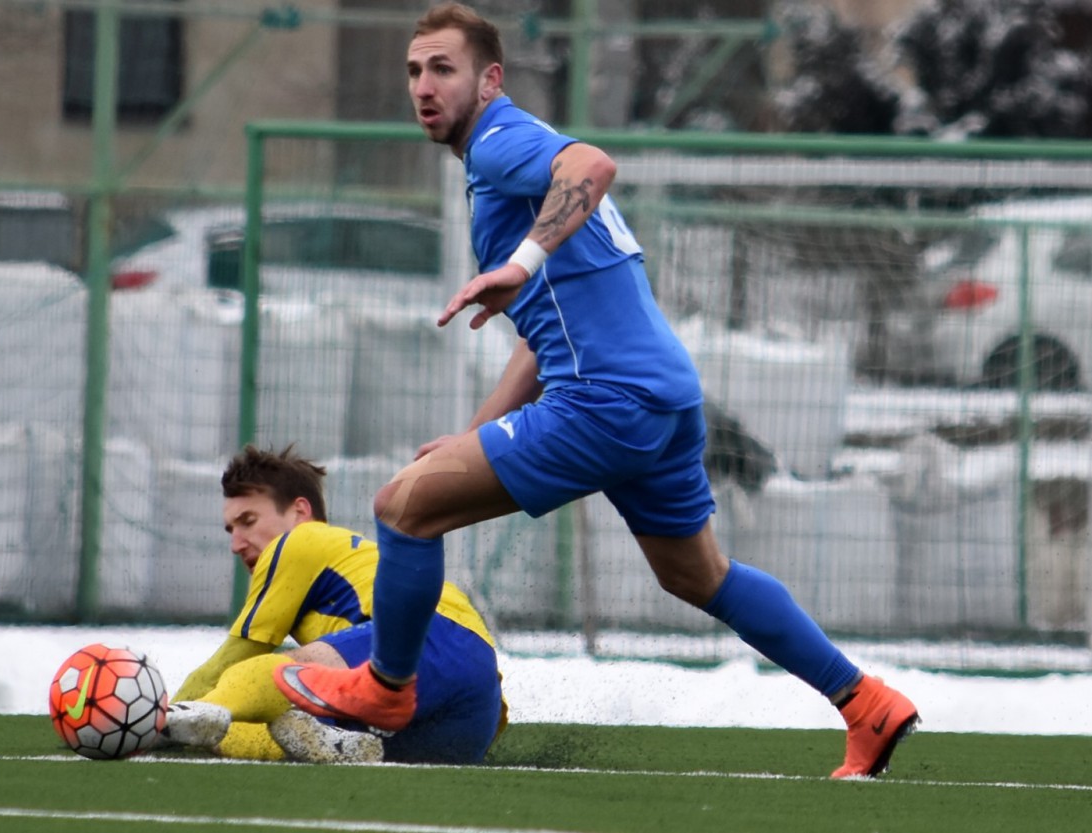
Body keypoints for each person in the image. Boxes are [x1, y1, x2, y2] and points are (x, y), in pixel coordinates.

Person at [275, 2, 919, 779]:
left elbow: (593, 166)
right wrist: (474, 430)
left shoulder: (502, 141)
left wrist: (519, 262)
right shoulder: (511, 166)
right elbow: (545, 334)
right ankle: (864, 701)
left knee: (402, 507)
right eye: (414, 70)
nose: (423, 85)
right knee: (697, 574)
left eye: (442, 68)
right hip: (663, 398)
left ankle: (385, 688)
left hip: (603, 401)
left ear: (491, 80)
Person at [162, 444, 505, 765]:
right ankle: (335, 743)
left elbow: (231, 659)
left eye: (248, 521)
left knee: (260, 674)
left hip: (429, 639)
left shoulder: (299, 540)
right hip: (474, 710)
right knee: (272, 726)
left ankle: (166, 727)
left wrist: (157, 721)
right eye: (231, 530)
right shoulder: (349, 557)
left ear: (300, 511)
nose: (236, 544)